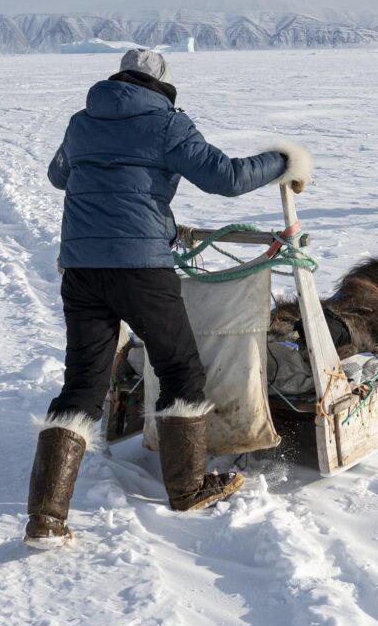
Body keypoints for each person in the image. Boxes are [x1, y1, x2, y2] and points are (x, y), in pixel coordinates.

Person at [25, 49, 312, 548]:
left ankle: (46, 517)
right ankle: (188, 487)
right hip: (140, 269)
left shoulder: (81, 121)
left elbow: (61, 176)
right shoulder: (166, 124)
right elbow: (226, 178)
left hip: (81, 269)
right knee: (180, 368)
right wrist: (285, 160)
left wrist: (149, 214)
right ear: (163, 86)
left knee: (82, 387)